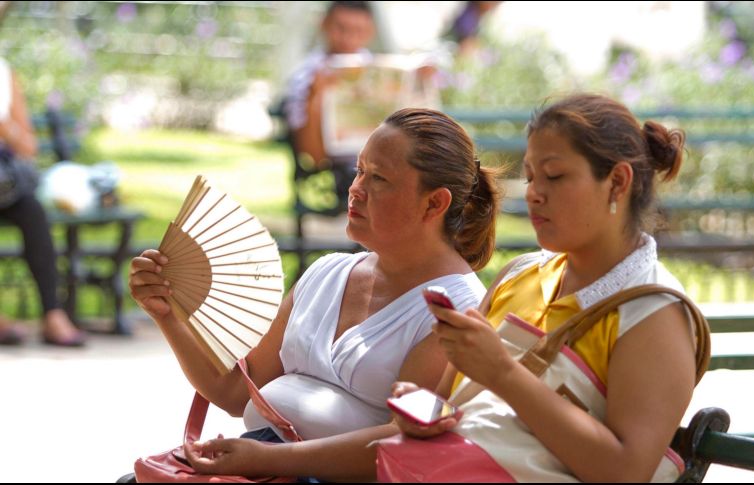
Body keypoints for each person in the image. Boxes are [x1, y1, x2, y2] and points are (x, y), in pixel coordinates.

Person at [129, 107, 500, 480]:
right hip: (260, 465)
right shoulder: (327, 272)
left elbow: (403, 446)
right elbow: (234, 392)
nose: (356, 189)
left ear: (434, 203)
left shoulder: (456, 311)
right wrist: (167, 315)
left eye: (379, 178)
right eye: (359, 171)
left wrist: (267, 460)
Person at [389, 93, 701, 482]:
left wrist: (504, 373)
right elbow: (456, 407)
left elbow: (626, 471)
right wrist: (427, 413)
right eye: (531, 176)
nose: (534, 193)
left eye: (554, 176)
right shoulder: (519, 275)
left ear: (618, 182)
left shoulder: (654, 313)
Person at [0, 57, 87, 347]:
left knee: (33, 212)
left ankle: (53, 314)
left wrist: (4, 126)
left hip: (5, 187)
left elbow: (28, 147)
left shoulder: (4, 72)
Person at [282, 1, 376, 204]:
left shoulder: (379, 70)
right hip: (339, 172)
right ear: (324, 24)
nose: (348, 38)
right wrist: (316, 96)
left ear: (370, 32)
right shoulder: (306, 76)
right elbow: (312, 155)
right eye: (340, 28)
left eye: (358, 31)